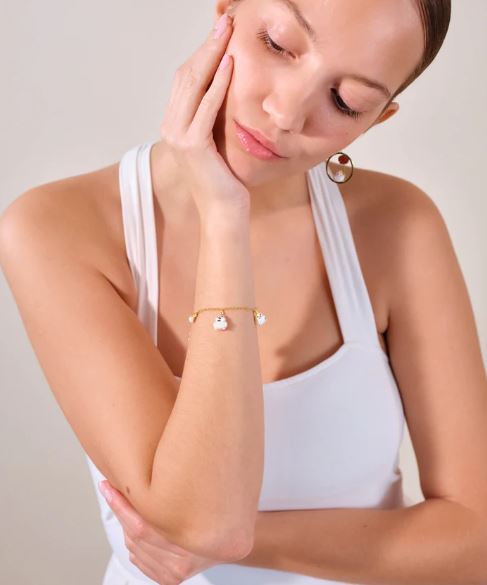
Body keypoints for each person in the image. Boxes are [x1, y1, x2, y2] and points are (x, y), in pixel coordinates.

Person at [2, 0, 487, 584]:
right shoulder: (59, 228)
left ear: (376, 121)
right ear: (227, 10)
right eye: (278, 44)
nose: (285, 113)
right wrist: (226, 217)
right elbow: (204, 519)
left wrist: (245, 545)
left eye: (346, 102)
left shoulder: (398, 225)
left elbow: (475, 541)